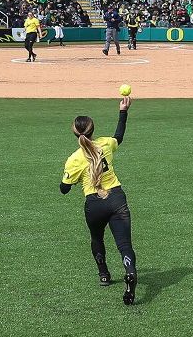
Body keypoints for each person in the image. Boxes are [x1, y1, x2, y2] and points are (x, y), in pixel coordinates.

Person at [59, 95, 138, 305]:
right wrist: (123, 111)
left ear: (75, 133)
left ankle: (103, 274)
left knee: (97, 238)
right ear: (93, 130)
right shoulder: (104, 144)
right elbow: (118, 136)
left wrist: (72, 180)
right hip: (117, 198)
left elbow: (64, 190)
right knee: (124, 245)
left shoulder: (74, 159)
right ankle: (130, 272)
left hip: (94, 204)